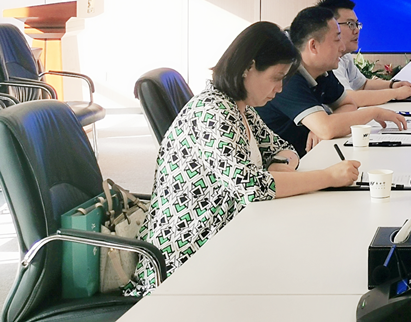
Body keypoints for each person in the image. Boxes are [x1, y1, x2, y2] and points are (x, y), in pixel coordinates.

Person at [127, 22, 362, 294]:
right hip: (186, 261)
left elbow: (284, 149)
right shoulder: (213, 112)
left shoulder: (240, 107)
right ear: (248, 68)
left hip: (230, 237)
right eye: (276, 77)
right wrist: (328, 177)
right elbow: (253, 187)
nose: (280, 88)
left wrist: (276, 166)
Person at [256, 6, 408, 154]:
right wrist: (373, 113)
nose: (342, 47)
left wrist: (326, 123)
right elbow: (327, 129)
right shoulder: (287, 77)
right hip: (283, 164)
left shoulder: (323, 71)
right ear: (313, 46)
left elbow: (348, 104)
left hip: (311, 155)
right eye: (337, 39)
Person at [315, 0, 411, 105]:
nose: (356, 30)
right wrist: (395, 93)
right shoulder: (328, 60)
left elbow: (362, 85)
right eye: (350, 24)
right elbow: (348, 98)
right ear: (332, 26)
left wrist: (392, 85)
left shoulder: (345, 56)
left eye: (357, 24)